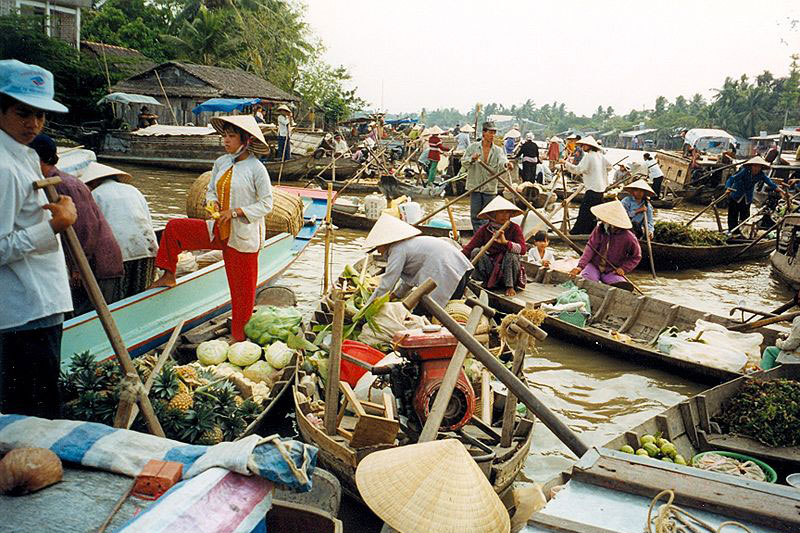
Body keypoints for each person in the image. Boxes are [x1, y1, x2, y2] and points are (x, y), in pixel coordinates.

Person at [151, 115, 273, 341]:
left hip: (242, 236)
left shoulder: (257, 169)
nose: (226, 141)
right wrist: (212, 203)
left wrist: (235, 212)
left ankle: (239, 339)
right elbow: (211, 191)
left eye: (231, 136)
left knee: (242, 293)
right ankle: (168, 274)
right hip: (218, 228)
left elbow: (267, 204)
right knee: (175, 228)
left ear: (245, 140)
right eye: (224, 136)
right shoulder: (221, 162)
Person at [0, 60, 75, 418]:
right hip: (25, 310)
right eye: (23, 113)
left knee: (37, 413)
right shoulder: (3, 166)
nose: (34, 124)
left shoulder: (24, 155)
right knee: (33, 419)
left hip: (40, 306)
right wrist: (54, 226)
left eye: (40, 115)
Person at [29, 135, 124, 316]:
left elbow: (85, 227)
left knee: (90, 318)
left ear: (37, 159)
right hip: (86, 262)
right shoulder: (53, 182)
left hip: (94, 264)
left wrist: (79, 266)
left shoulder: (63, 185)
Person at [364, 214, 472, 309]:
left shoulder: (397, 250)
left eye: (378, 247)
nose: (378, 251)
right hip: (461, 270)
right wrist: (394, 296)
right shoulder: (408, 245)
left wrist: (369, 305)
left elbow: (387, 283)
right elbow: (407, 282)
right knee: (446, 310)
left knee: (423, 313)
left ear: (385, 243)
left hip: (449, 274)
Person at [462, 196, 527, 297]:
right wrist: (457, 259)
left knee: (511, 254)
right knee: (476, 251)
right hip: (491, 267)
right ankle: (486, 282)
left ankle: (509, 287)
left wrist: (506, 243)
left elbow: (523, 250)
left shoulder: (514, 228)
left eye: (507, 212)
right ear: (493, 214)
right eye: (501, 212)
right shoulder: (485, 230)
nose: (504, 216)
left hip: (509, 270)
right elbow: (469, 248)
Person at [569, 200, 641, 286]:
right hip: (594, 266)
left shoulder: (629, 237)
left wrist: (623, 269)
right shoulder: (599, 230)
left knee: (620, 285)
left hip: (612, 270)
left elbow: (636, 256)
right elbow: (590, 249)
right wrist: (580, 266)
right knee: (588, 281)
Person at [461, 121, 513, 230]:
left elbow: (502, 160)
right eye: (490, 132)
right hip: (475, 186)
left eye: (494, 133)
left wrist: (507, 164)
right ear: (484, 133)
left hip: (489, 187)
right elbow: (464, 162)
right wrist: (472, 159)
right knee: (475, 216)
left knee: (488, 216)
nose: (492, 135)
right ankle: (478, 236)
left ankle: (486, 236)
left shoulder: (498, 150)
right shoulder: (473, 147)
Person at [560, 136, 611, 235]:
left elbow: (577, 170)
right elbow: (609, 167)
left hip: (592, 189)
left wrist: (565, 163)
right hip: (600, 189)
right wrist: (598, 172)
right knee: (593, 213)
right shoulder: (600, 156)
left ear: (589, 146)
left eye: (584, 145)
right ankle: (590, 232)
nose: (582, 147)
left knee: (584, 212)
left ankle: (577, 232)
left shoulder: (589, 156)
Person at [725, 156, 779, 234]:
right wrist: (728, 188)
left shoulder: (761, 174)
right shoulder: (744, 171)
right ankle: (732, 231)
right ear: (751, 166)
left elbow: (770, 182)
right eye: (755, 166)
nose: (756, 168)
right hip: (736, 194)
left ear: (761, 168)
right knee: (733, 214)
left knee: (745, 216)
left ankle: (743, 232)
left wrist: (781, 191)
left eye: (759, 167)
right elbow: (732, 179)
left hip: (747, 197)